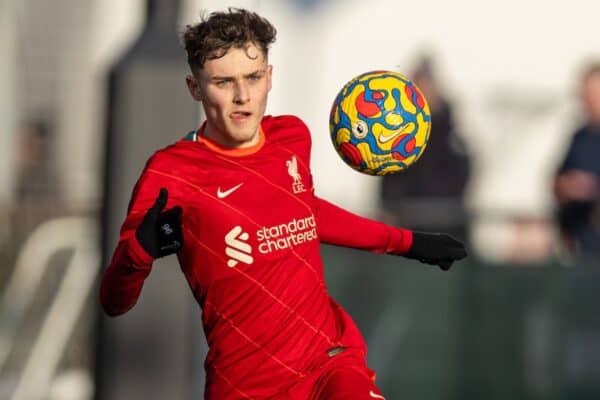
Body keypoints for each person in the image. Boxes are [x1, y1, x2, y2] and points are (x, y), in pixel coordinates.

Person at [99, 8, 467, 399]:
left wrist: (408, 243)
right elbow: (114, 302)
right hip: (246, 386)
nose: (243, 96)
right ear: (195, 87)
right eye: (224, 82)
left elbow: (307, 212)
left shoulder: (291, 137)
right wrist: (140, 251)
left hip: (328, 362)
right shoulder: (170, 173)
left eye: (253, 78)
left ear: (269, 77)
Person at [554, 62, 600, 257]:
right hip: (580, 248)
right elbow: (556, 181)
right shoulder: (579, 137)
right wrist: (565, 187)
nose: (588, 99)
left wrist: (592, 189)